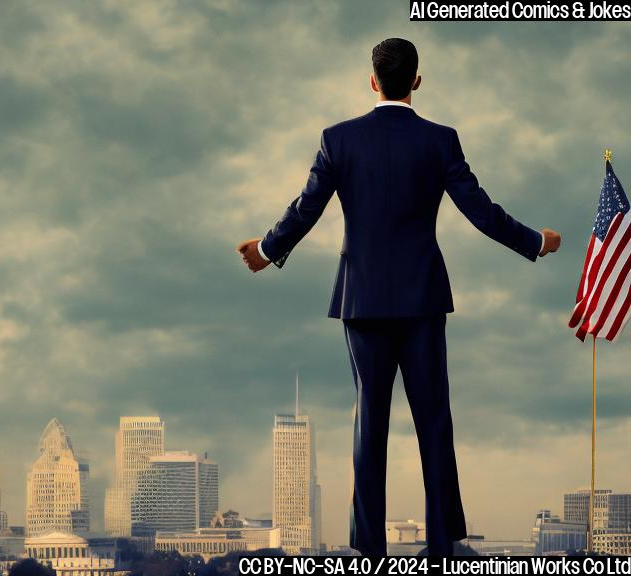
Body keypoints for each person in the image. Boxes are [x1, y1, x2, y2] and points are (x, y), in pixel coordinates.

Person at [237, 38, 561, 556]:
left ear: (373, 81)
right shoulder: (440, 141)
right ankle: (440, 552)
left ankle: (368, 553)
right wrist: (535, 242)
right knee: (434, 422)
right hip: (422, 301)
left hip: (361, 303)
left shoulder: (337, 140)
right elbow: (481, 210)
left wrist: (266, 249)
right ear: (416, 80)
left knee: (370, 425)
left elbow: (306, 208)